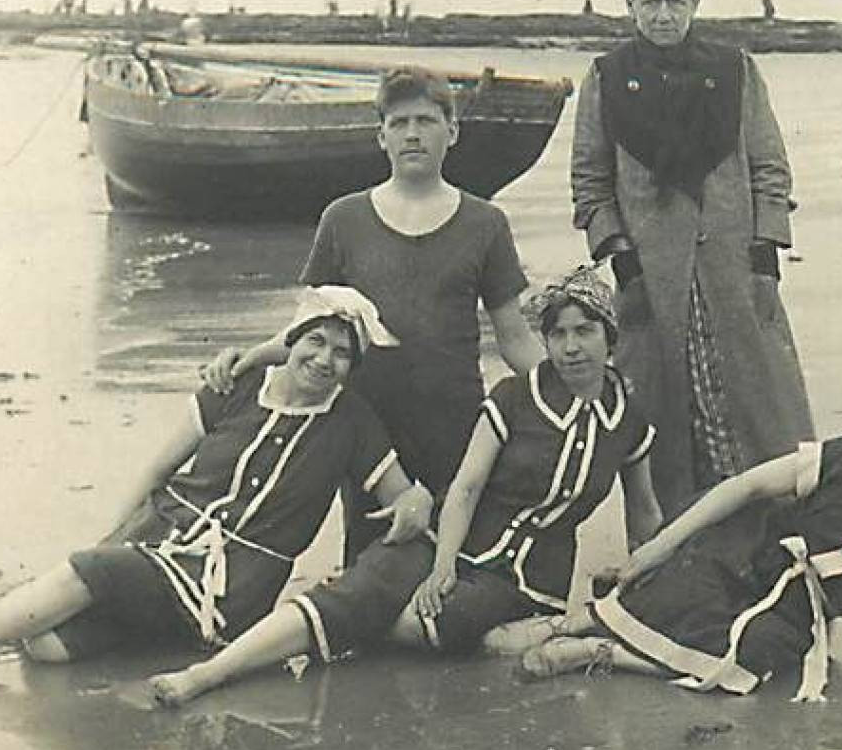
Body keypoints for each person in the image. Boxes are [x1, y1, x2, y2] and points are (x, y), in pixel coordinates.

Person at [0, 287, 434, 689]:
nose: (324, 360)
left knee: (83, 582)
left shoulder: (353, 421)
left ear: (353, 366)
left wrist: (417, 504)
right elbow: (157, 472)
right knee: (49, 649)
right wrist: (111, 547)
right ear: (294, 339)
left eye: (341, 353)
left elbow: (403, 496)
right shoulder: (237, 385)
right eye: (316, 342)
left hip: (228, 586)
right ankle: (23, 603)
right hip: (158, 539)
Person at [147, 266, 663, 707]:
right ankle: (205, 676)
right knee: (362, 595)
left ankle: (530, 629)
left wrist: (643, 590)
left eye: (586, 332)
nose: (571, 348)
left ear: (610, 338)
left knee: (431, 626)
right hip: (448, 538)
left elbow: (643, 514)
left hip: (527, 581)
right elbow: (465, 488)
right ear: (546, 341)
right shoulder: (515, 398)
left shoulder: (630, 422)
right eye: (558, 334)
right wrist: (441, 568)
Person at [517, 367, 842, 698]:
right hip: (744, 549)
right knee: (670, 584)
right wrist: (652, 550)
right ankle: (570, 625)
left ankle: (603, 654)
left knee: (757, 656)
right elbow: (747, 486)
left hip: (794, 610)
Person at [204, 66, 546, 557]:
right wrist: (248, 358)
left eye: (426, 121)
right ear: (380, 135)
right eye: (400, 122)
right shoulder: (343, 219)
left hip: (454, 417)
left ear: (452, 132)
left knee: (448, 556)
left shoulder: (485, 223)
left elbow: (513, 336)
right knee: (369, 559)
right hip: (364, 423)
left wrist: (570, 392)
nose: (412, 134)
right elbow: (308, 329)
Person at [570, 0, 814, 516]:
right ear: (628, 4)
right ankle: (677, 534)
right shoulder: (606, 79)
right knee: (663, 416)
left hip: (735, 272)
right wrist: (620, 258)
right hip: (650, 279)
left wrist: (765, 253)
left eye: (674, 3)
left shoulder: (735, 72)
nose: (662, 15)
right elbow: (589, 181)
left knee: (760, 408)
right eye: (649, 3)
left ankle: (771, 522)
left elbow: (770, 167)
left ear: (695, 2)